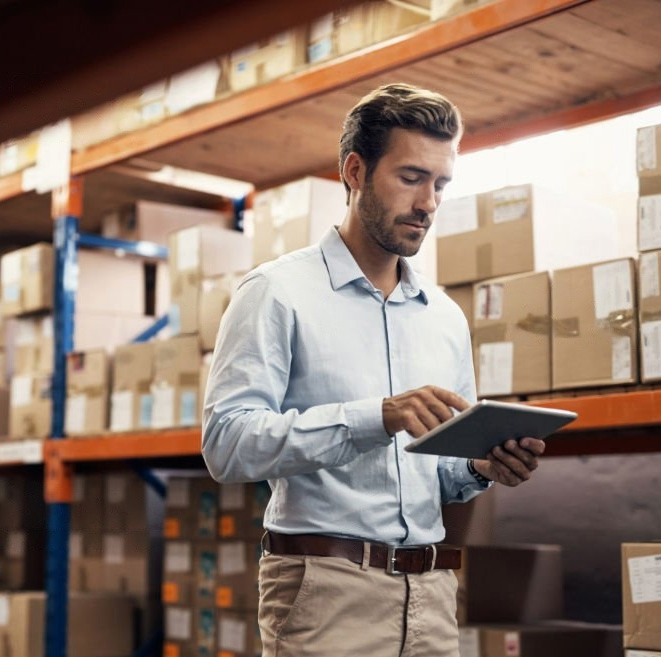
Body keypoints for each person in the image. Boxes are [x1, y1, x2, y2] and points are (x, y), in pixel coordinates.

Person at [201, 83, 545, 657]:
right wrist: (376, 417)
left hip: (432, 595)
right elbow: (226, 444)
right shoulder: (277, 292)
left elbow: (442, 471)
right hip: (325, 593)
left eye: (441, 184)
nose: (429, 203)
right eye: (411, 178)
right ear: (355, 171)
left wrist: (482, 465)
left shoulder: (444, 317)